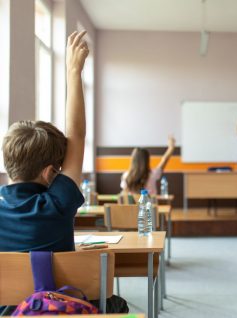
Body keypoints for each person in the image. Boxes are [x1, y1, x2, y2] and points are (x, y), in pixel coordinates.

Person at [0, 31, 127, 314]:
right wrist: (73, 71)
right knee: (117, 304)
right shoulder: (57, 203)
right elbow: (77, 135)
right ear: (49, 173)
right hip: (57, 309)